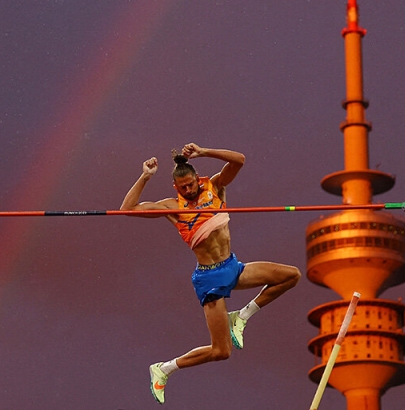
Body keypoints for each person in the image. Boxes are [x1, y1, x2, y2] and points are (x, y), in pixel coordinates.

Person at [120, 143, 301, 404]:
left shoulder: (215, 187)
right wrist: (145, 176)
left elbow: (239, 159)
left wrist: (204, 152)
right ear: (176, 188)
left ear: (197, 178)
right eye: (183, 187)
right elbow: (127, 209)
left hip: (232, 267)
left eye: (191, 184)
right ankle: (164, 368)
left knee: (290, 275)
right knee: (221, 351)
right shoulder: (172, 207)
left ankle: (242, 315)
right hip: (209, 279)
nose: (189, 190)